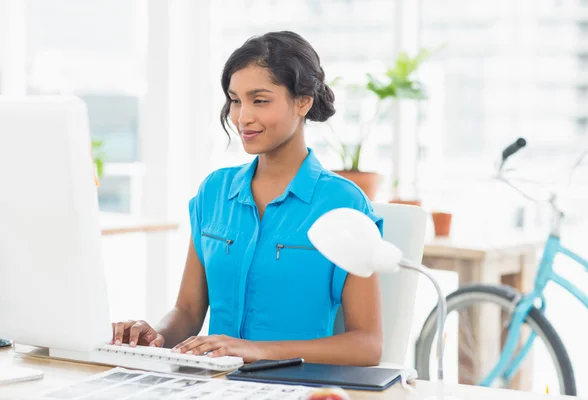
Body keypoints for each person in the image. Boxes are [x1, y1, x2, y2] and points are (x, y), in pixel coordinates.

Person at [112, 31, 384, 366]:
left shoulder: (343, 203)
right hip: (214, 384)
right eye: (235, 100)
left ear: (303, 101)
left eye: (260, 100)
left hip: (297, 387)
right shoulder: (214, 191)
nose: (242, 117)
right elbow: (188, 311)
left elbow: (367, 345)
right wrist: (155, 336)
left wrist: (261, 350)